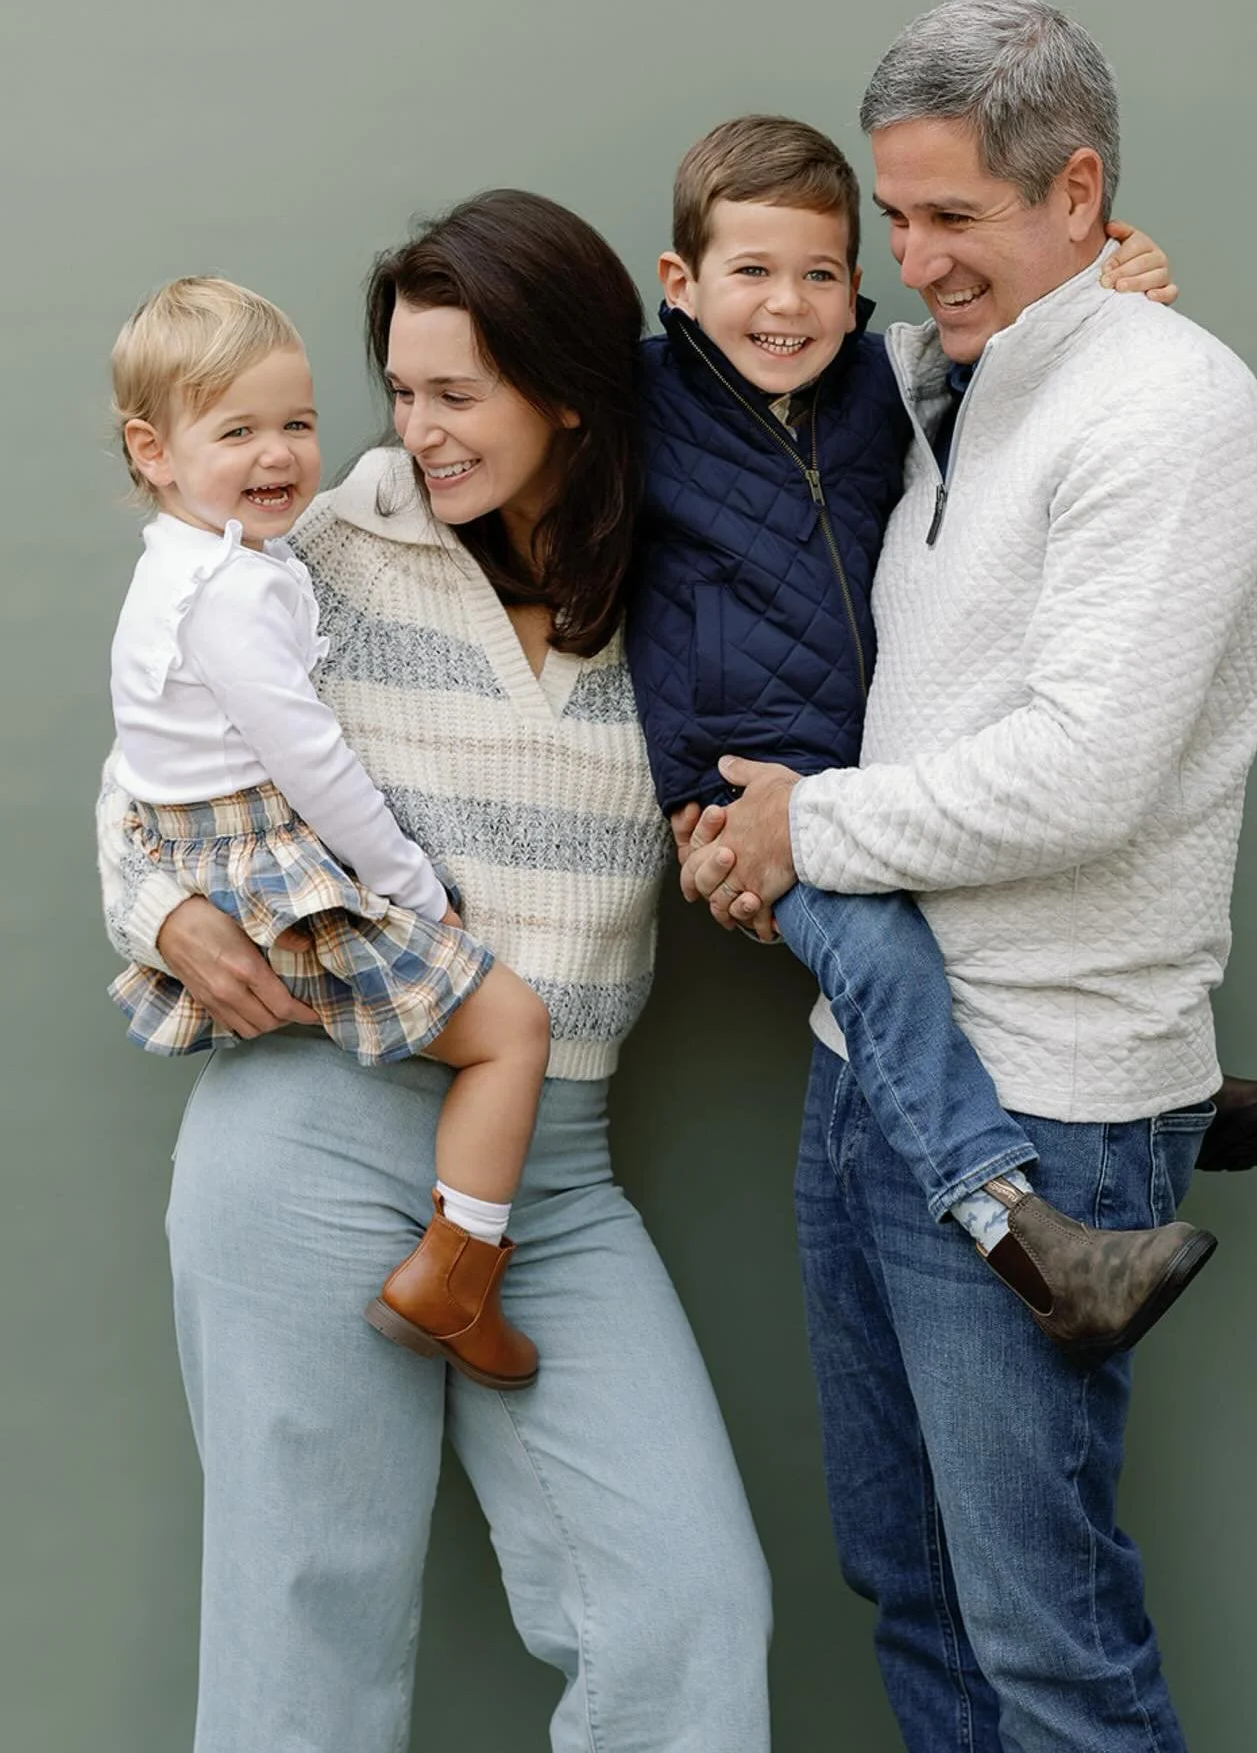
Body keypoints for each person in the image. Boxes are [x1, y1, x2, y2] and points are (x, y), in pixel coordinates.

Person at [682, 0, 1257, 1750]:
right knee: (917, 1590)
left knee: (1045, 1636)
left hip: (1047, 1102)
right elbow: (710, 387)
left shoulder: (1170, 412)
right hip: (870, 1075)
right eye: (898, 216)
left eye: (957, 218)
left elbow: (1091, 774)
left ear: (1080, 190)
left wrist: (807, 827)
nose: (914, 260)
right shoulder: (956, 382)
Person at [98, 192, 771, 1753]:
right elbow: (155, 767)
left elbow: (844, 405)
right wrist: (155, 911)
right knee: (306, 1633)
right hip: (314, 1128)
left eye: (456, 394)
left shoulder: (680, 591)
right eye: (399, 390)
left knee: (686, 1613)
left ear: (568, 389)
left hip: (556, 1174)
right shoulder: (320, 545)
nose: (417, 430)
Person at [629, 115, 1257, 1357]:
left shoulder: (880, 382)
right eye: (750, 275)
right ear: (679, 284)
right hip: (739, 778)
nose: (787, 307)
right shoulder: (643, 404)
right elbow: (498, 439)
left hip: (854, 774)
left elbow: (1033, 336)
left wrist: (1116, 268)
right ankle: (1014, 1225)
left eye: (822, 274)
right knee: (884, 964)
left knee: (913, 950)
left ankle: (1174, 1096)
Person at [108, 276, 549, 1387]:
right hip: (266, 857)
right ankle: (458, 1272)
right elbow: (308, 761)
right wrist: (409, 882)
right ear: (152, 452)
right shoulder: (232, 591)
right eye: (239, 431)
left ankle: (452, 1259)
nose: (280, 456)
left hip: (215, 848)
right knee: (513, 1027)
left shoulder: (191, 570)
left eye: (298, 424)